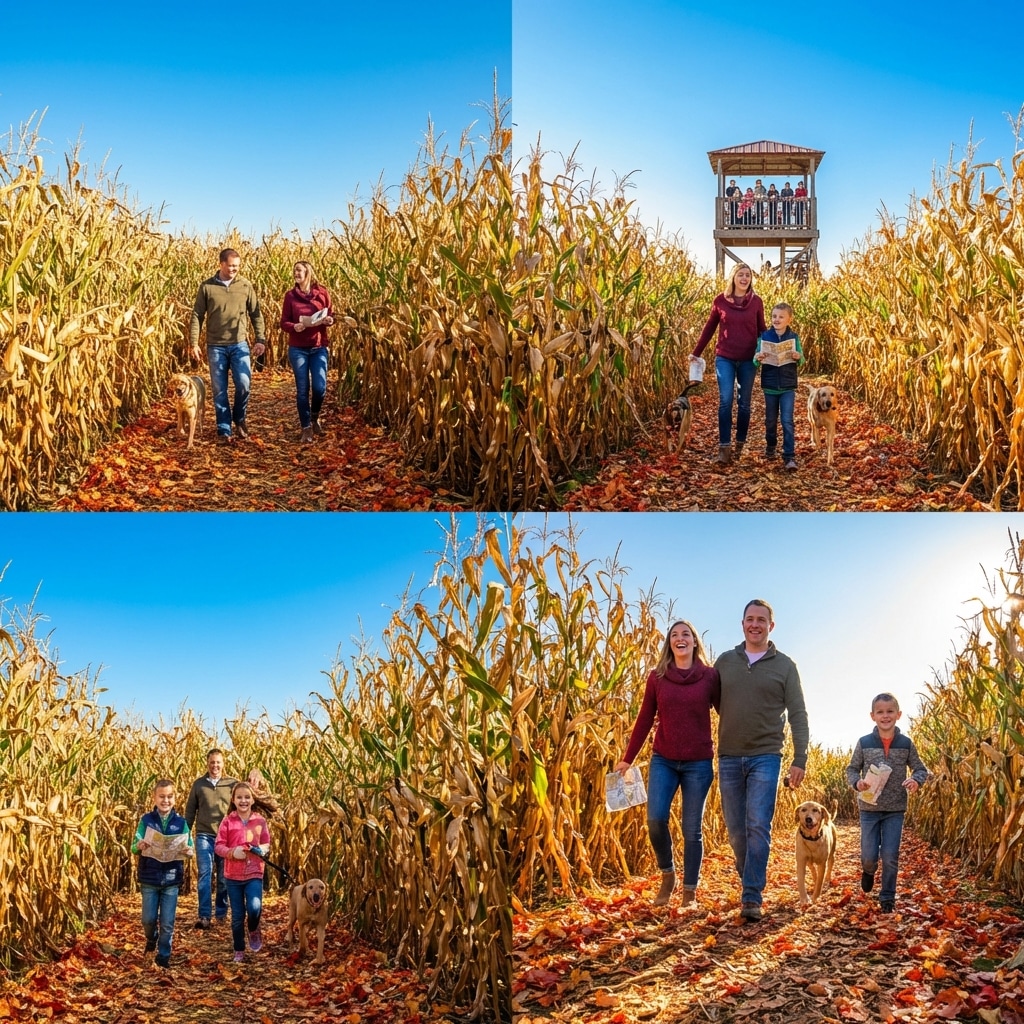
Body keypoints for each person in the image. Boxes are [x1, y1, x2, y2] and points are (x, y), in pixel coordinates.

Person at [614, 620, 721, 908]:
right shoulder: (657, 677)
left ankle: (689, 891)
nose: (680, 638)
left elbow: (727, 715)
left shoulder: (710, 677)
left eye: (686, 634)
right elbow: (645, 719)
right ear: (669, 644)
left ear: (695, 641)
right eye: (674, 635)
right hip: (664, 759)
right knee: (655, 818)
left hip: (699, 763)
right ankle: (668, 874)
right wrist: (628, 758)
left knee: (691, 829)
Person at [716, 599, 808, 922]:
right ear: (742, 624)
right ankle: (749, 877)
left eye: (762, 620)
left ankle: (752, 895)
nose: (755, 624)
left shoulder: (785, 666)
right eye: (750, 619)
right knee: (736, 830)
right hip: (728, 755)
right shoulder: (725, 662)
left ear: (772, 625)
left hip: (767, 756)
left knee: (757, 824)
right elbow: (703, 701)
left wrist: (800, 757)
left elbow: (798, 713)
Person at [846, 693, 929, 914]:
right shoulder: (864, 743)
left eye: (890, 711)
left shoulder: (905, 744)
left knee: (891, 855)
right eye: (880, 712)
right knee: (869, 855)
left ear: (898, 715)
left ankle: (887, 897)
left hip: (895, 809)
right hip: (869, 809)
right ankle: (869, 870)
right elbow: (852, 769)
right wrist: (858, 782)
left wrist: (915, 779)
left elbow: (921, 768)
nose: (885, 716)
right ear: (872, 716)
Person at [690, 263, 766, 465]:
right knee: (725, 400)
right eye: (740, 275)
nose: (744, 278)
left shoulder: (756, 302)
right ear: (733, 277)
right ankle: (724, 448)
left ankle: (740, 444)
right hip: (725, 357)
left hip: (749, 359)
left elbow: (762, 330)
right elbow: (709, 328)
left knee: (744, 404)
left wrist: (772, 351)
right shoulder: (720, 301)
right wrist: (696, 353)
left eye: (748, 275)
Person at [189, 248, 267, 444]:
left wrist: (260, 339)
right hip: (215, 345)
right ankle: (224, 429)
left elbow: (256, 313)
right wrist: (193, 342)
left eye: (237, 266)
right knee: (219, 389)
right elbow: (197, 315)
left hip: (240, 344)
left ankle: (239, 418)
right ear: (221, 264)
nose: (234, 270)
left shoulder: (245, 285)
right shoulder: (207, 287)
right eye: (231, 266)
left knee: (244, 383)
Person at [132, 778, 194, 969]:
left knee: (168, 922)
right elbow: (135, 846)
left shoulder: (181, 823)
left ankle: (163, 956)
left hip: (171, 878)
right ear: (154, 797)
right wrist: (140, 845)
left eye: (169, 796)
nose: (165, 800)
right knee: (148, 920)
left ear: (175, 798)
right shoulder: (146, 821)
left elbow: (189, 847)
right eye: (161, 796)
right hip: (150, 878)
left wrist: (188, 852)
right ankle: (152, 938)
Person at [215, 781, 271, 962]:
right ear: (233, 799)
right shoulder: (227, 821)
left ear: (253, 800)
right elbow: (218, 847)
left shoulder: (260, 821)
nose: (243, 800)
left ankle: (253, 929)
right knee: (238, 916)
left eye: (247, 797)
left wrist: (263, 849)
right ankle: (238, 949)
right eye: (239, 797)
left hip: (254, 872)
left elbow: (266, 842)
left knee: (254, 907)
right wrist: (232, 853)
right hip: (233, 876)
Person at [281, 261, 334, 443]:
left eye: (299, 270)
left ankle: (314, 416)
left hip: (318, 347)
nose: (296, 273)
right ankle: (306, 428)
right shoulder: (290, 296)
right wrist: (294, 326)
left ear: (308, 273)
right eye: (294, 270)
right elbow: (284, 322)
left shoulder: (322, 293)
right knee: (302, 389)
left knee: (320, 387)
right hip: (298, 349)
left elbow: (331, 314)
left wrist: (328, 320)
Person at [184, 749, 237, 930]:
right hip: (203, 835)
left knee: (224, 878)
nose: (215, 765)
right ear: (207, 763)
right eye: (212, 762)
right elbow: (190, 811)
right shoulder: (199, 784)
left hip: (225, 837)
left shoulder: (232, 784)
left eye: (218, 762)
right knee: (205, 876)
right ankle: (204, 916)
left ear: (223, 763)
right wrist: (185, 834)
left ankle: (221, 913)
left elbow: (243, 804)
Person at [754, 302, 804, 470]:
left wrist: (798, 356)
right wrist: (758, 358)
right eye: (774, 316)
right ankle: (771, 446)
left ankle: (789, 456)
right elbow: (755, 359)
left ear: (789, 319)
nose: (777, 319)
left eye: (781, 317)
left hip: (787, 386)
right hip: (770, 386)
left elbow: (802, 359)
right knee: (770, 420)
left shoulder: (794, 338)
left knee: (787, 420)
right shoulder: (764, 336)